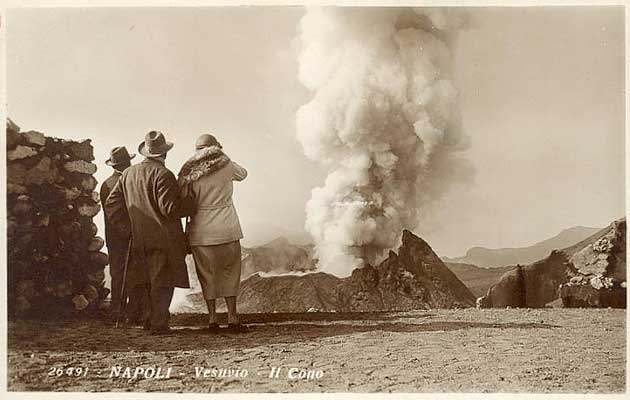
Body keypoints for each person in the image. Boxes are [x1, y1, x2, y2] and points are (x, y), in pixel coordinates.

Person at [105, 131, 193, 335]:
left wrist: (128, 229)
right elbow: (170, 209)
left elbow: (112, 204)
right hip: (164, 240)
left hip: (138, 239)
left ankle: (149, 318)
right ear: (164, 153)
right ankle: (159, 324)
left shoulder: (128, 173)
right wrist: (190, 203)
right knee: (162, 282)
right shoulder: (164, 174)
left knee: (145, 280)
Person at [178, 133, 248, 333]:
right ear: (216, 147)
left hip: (201, 230)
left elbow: (182, 196)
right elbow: (243, 174)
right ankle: (233, 318)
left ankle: (212, 319)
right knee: (230, 272)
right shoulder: (226, 165)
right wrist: (223, 154)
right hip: (228, 227)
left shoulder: (188, 169)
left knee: (207, 275)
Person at [100, 146, 135, 322]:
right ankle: (127, 313)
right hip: (128, 234)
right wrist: (128, 231)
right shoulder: (127, 181)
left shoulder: (106, 183)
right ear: (127, 163)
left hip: (113, 237)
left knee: (117, 273)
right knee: (132, 273)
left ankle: (117, 311)